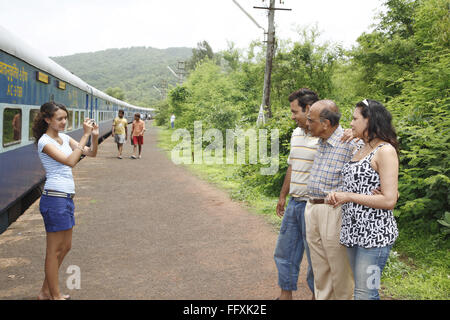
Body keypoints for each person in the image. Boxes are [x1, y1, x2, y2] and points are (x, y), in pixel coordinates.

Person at [326, 99, 399, 300]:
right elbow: (359, 184)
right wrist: (338, 194)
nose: (350, 123)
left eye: (355, 119)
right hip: (353, 232)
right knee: (361, 291)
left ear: (370, 121)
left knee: (366, 294)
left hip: (375, 236)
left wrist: (348, 196)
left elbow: (389, 200)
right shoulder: (360, 148)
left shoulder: (385, 151)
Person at [32, 101, 98, 300]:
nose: (64, 122)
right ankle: (54, 295)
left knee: (66, 247)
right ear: (47, 120)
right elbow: (71, 162)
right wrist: (85, 135)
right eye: (59, 119)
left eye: (65, 118)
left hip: (66, 199)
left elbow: (91, 153)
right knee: (53, 250)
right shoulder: (45, 142)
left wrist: (93, 138)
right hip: (54, 199)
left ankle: (45, 291)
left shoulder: (65, 138)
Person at [304, 99, 355, 300]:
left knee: (340, 268)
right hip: (313, 207)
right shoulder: (321, 140)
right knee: (320, 268)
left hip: (334, 210)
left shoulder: (351, 142)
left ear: (325, 123)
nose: (307, 124)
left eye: (311, 120)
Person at [274, 88, 319, 300]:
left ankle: (316, 296)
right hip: (294, 203)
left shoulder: (327, 137)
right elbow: (292, 166)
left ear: (308, 109)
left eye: (295, 112)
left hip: (315, 207)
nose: (292, 117)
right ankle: (285, 296)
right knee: (285, 252)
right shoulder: (296, 133)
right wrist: (283, 196)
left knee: (315, 259)